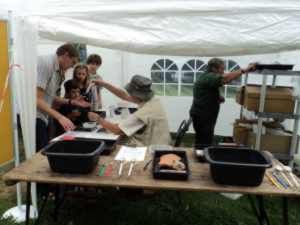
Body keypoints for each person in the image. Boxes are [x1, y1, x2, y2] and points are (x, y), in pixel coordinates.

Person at [190, 58, 255, 148]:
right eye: (221, 69)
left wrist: (217, 97)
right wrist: (244, 70)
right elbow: (225, 78)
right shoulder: (209, 76)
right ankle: (201, 158)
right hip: (203, 115)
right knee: (204, 141)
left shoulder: (206, 76)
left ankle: (201, 154)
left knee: (203, 139)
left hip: (202, 114)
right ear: (214, 68)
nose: (223, 71)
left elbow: (206, 90)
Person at [90, 75, 171, 146]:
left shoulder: (144, 112)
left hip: (152, 147)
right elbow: (124, 96)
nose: (129, 95)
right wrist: (104, 84)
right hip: (161, 141)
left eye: (131, 93)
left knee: (118, 140)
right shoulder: (153, 100)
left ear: (136, 95)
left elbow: (117, 130)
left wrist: (98, 119)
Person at [36, 44, 90, 151]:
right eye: (72, 62)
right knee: (41, 154)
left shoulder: (57, 69)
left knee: (46, 151)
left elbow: (51, 97)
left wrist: (72, 102)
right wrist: (60, 117)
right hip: (35, 116)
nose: (71, 67)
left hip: (43, 116)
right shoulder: (46, 63)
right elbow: (37, 99)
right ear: (66, 55)